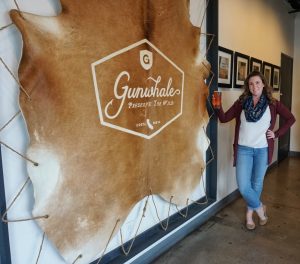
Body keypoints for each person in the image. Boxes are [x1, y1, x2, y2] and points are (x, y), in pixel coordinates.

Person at [212, 71, 295, 230]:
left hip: (262, 150)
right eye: (251, 84)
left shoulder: (273, 104)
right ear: (247, 87)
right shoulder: (242, 102)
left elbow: (291, 118)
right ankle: (260, 208)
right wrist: (217, 105)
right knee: (243, 186)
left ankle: (249, 216)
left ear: (263, 84)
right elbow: (224, 118)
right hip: (244, 149)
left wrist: (277, 133)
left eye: (257, 83)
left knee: (256, 184)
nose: (254, 86)